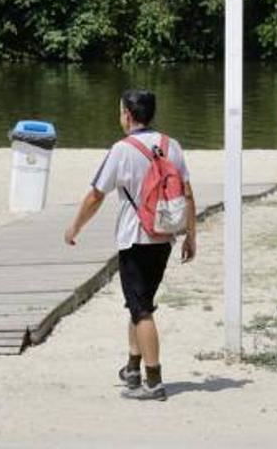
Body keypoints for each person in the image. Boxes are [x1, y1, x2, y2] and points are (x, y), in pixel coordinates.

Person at [64, 89, 196, 401]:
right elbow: (187, 193)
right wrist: (191, 235)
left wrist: (75, 227)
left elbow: (96, 195)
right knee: (140, 303)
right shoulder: (170, 145)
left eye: (120, 110)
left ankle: (153, 381)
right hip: (164, 235)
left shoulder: (122, 150)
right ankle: (133, 368)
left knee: (142, 310)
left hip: (135, 239)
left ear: (127, 114)